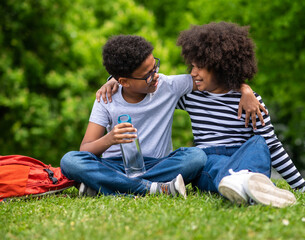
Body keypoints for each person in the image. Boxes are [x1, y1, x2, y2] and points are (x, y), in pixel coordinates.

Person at [98, 22, 305, 207]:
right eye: (192, 66)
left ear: (221, 67)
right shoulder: (190, 96)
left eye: (200, 67)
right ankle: (251, 186)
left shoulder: (251, 102)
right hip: (208, 158)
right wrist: (114, 80)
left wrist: (302, 187)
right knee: (209, 162)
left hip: (243, 154)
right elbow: (150, 86)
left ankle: (246, 185)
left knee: (259, 143)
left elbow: (273, 147)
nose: (192, 73)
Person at [60, 35, 209, 198]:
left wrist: (242, 88)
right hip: (115, 166)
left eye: (155, 67)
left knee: (196, 157)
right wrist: (110, 139)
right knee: (70, 161)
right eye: (148, 75)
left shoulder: (168, 86)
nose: (156, 76)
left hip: (157, 165)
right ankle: (154, 188)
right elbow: (86, 149)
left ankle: (109, 186)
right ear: (124, 82)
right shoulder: (106, 99)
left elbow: (211, 79)